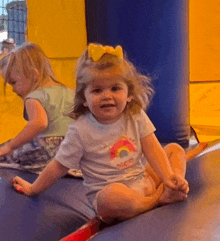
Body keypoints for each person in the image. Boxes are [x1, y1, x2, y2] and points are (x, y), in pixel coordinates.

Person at [10, 43, 189, 223]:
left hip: (142, 181)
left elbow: (153, 148)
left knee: (174, 150)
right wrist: (34, 189)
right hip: (114, 197)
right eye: (97, 90)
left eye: (115, 88)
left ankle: (173, 187)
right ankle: (157, 200)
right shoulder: (80, 130)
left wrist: (168, 177)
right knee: (109, 198)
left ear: (128, 94)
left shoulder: (135, 115)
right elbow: (58, 166)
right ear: (84, 99)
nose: (107, 96)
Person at [0, 42, 76, 174]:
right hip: (73, 152)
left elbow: (39, 123)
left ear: (33, 75)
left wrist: (10, 147)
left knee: (6, 150)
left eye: (13, 82)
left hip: (48, 153)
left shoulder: (35, 96)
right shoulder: (71, 92)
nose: (13, 89)